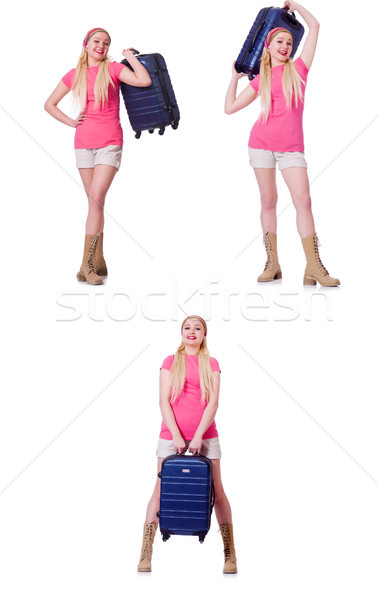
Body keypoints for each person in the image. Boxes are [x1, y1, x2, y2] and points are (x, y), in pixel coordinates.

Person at [225, 2, 340, 286]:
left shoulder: (299, 69)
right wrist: (233, 78)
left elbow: (315, 27)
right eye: (280, 41)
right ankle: (272, 263)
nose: (286, 45)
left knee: (304, 202)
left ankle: (313, 266)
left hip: (291, 149)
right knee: (268, 201)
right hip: (260, 144)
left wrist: (295, 5)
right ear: (269, 44)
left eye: (289, 41)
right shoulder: (261, 78)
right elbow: (229, 108)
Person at [44, 28, 151, 284]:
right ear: (86, 44)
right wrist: (71, 122)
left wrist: (129, 56)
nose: (101, 46)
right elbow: (49, 104)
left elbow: (144, 80)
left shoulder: (113, 69)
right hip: (83, 143)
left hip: (109, 142)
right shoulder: (75, 74)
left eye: (106, 43)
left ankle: (86, 265)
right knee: (96, 204)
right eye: (96, 41)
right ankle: (99, 262)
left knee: (96, 197)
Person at [137, 316, 237, 574]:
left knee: (217, 492)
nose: (192, 332)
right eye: (187, 328)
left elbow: (213, 403)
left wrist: (198, 436)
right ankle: (146, 552)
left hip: (206, 437)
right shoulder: (170, 361)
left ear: (205, 334)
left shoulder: (211, 363)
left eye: (198, 328)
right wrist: (177, 435)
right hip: (171, 437)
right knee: (160, 492)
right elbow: (163, 402)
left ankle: (229, 553)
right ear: (181, 332)